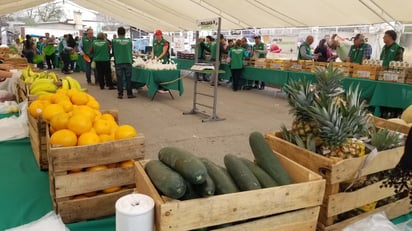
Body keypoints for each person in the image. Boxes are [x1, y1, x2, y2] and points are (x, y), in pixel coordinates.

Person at [112, 27, 135, 99]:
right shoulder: (129, 41)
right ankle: (129, 94)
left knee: (119, 78)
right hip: (128, 61)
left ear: (118, 33)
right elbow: (130, 50)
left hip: (119, 61)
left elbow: (113, 51)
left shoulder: (114, 41)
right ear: (125, 33)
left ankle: (120, 94)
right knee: (128, 78)